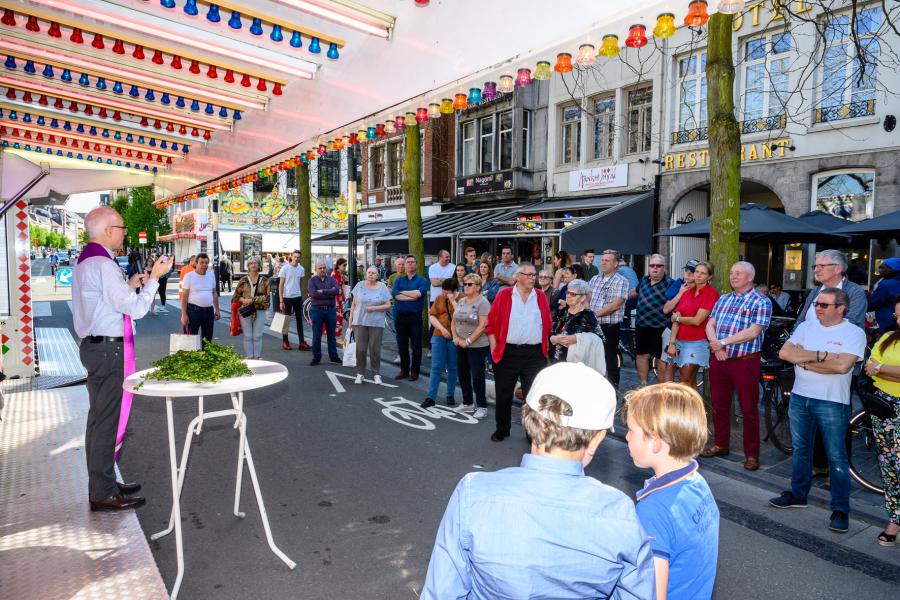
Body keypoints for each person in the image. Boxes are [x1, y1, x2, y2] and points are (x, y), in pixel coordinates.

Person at [421, 362, 655, 599]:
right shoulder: (619, 512)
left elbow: (442, 591)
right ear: (597, 439)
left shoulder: (473, 493)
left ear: (527, 417)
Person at [73, 206, 171, 511]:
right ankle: (102, 491)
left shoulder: (87, 261)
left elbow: (104, 302)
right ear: (106, 231)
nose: (124, 232)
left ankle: (104, 482)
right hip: (107, 350)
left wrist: (129, 286)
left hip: (96, 347)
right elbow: (137, 309)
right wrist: (155, 278)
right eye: (121, 227)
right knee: (106, 421)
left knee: (99, 419)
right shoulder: (102, 264)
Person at [771, 288, 865, 533]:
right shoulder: (806, 327)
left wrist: (803, 360)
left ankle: (840, 509)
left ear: (840, 308)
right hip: (801, 397)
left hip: (832, 401)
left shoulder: (854, 333)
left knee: (836, 456)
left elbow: (843, 366)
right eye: (816, 304)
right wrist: (823, 356)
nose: (817, 309)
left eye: (823, 305)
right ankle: (798, 494)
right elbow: (785, 353)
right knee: (801, 450)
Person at [625, 383, 720, 600]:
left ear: (656, 442)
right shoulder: (696, 481)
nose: (627, 437)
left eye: (631, 430)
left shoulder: (653, 511)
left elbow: (651, 593)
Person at [795, 250, 867, 477]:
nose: (815, 269)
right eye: (815, 266)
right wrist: (799, 346)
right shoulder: (816, 291)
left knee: (837, 422)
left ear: (838, 268)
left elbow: (851, 325)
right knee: (811, 417)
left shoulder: (854, 292)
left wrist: (811, 350)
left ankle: (837, 471)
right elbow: (801, 321)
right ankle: (818, 465)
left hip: (837, 365)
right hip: (809, 365)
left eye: (820, 266)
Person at [702, 261, 771, 471]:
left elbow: (753, 331)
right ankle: (720, 444)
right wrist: (716, 346)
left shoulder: (761, 301)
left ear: (750, 277)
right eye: (732, 273)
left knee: (749, 408)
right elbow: (710, 324)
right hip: (720, 359)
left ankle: (752, 454)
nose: (733, 276)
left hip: (745, 362)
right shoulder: (723, 299)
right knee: (719, 404)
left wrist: (723, 343)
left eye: (738, 273)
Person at [485, 262, 551, 442]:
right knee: (504, 394)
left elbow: (547, 324)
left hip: (534, 354)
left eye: (534, 275)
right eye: (528, 275)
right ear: (517, 276)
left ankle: (532, 433)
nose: (532, 278)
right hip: (508, 353)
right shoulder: (504, 295)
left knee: (533, 397)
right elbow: (490, 325)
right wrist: (494, 348)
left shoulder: (540, 296)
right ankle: (502, 429)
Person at [864, 297, 900, 547]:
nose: (896, 319)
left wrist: (881, 369)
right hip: (884, 408)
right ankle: (894, 520)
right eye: (896, 315)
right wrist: (881, 370)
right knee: (889, 468)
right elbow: (869, 365)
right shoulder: (888, 337)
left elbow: (877, 367)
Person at [667, 261, 719, 391]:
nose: (698, 275)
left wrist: (678, 318)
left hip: (697, 343)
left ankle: (685, 410)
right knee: (689, 382)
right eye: (697, 272)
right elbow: (675, 320)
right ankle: (697, 411)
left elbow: (697, 321)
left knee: (683, 382)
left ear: (709, 277)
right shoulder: (687, 292)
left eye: (703, 273)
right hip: (679, 341)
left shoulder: (711, 294)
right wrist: (672, 342)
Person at [588, 249, 630, 390]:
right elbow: (587, 299)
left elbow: (615, 305)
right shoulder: (594, 279)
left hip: (609, 328)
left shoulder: (621, 281)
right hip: (593, 327)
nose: (603, 262)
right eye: (602, 260)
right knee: (591, 359)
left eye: (607, 260)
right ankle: (593, 389)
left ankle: (612, 392)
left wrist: (594, 314)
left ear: (616, 264)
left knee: (610, 361)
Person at [451, 273, 491, 419]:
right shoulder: (461, 301)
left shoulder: (483, 302)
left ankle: (482, 406)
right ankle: (467, 403)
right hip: (459, 343)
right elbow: (454, 320)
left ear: (478, 287)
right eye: (465, 284)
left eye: (469, 284)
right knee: (462, 374)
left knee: (477, 376)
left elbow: (483, 326)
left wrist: (467, 341)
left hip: (477, 346)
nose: (466, 286)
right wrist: (455, 337)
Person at [348, 266, 392, 385]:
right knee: (360, 349)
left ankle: (376, 374)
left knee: (375, 349)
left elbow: (388, 305)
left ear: (377, 275)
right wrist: (350, 320)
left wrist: (374, 308)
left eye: (373, 273)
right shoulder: (359, 285)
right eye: (369, 272)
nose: (370, 274)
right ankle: (360, 373)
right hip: (360, 321)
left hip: (376, 322)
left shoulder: (382, 287)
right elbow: (354, 304)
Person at [633, 254, 673, 386]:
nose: (655, 268)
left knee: (661, 360)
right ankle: (644, 384)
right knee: (641, 356)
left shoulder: (670, 283)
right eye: (652, 265)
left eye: (658, 266)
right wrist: (620, 297)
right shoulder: (644, 280)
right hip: (642, 325)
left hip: (660, 327)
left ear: (664, 267)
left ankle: (660, 389)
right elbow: (635, 292)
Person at [392, 255, 430, 380]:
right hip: (400, 317)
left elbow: (419, 294)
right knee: (402, 345)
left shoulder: (422, 280)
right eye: (407, 262)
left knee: (416, 346)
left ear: (416, 264)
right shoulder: (398, 280)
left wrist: (403, 292)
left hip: (415, 317)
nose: (409, 264)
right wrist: (411, 295)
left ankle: (415, 371)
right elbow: (396, 296)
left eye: (412, 262)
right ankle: (404, 370)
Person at [424, 278, 460, 408]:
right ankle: (431, 397)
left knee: (452, 367)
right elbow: (432, 316)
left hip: (455, 338)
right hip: (439, 335)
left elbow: (461, 316)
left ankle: (450, 394)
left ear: (454, 291)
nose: (445, 294)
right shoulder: (439, 298)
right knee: (436, 367)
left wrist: (452, 300)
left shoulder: (462, 299)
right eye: (443, 292)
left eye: (447, 292)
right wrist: (442, 329)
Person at [660, 260, 698, 383]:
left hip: (691, 333)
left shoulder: (701, 288)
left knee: (687, 371)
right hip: (672, 330)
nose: (687, 274)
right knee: (669, 365)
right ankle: (668, 396)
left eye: (691, 271)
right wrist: (680, 293)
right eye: (686, 270)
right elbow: (666, 309)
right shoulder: (678, 284)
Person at [549, 279, 597, 364]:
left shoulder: (588, 315)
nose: (568, 296)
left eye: (573, 294)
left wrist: (577, 339)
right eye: (568, 292)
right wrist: (554, 338)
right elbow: (553, 333)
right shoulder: (563, 312)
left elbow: (600, 340)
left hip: (577, 365)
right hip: (556, 363)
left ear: (583, 297)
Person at [234, 256, 270, 359]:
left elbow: (267, 299)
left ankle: (257, 357)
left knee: (257, 336)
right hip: (246, 311)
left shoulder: (265, 280)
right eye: (251, 263)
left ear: (259, 265)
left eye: (255, 263)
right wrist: (243, 300)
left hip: (259, 310)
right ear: (248, 266)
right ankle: (250, 357)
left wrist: (252, 300)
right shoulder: (243, 280)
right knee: (248, 336)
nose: (253, 265)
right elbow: (236, 296)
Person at [307, 261, 341, 366]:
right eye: (320, 268)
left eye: (324, 268)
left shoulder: (332, 279)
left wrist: (322, 291)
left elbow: (336, 291)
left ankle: (334, 357)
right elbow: (313, 294)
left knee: (331, 335)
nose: (322, 269)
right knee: (317, 335)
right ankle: (316, 357)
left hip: (330, 310)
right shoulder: (311, 281)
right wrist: (329, 292)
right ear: (315, 269)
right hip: (317, 310)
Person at [180, 253, 219, 343]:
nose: (204, 265)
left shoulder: (211, 275)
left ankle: (205, 356)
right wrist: (184, 315)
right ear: (196, 264)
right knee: (191, 339)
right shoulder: (189, 276)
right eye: (202, 262)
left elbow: (214, 293)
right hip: (193, 311)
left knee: (207, 339)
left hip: (209, 311)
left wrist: (217, 310)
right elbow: (184, 297)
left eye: (206, 263)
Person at [278, 250, 311, 351]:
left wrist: (299, 293)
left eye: (298, 257)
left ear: (300, 258)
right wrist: (281, 300)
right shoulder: (285, 268)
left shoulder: (301, 269)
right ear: (291, 257)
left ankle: (302, 342)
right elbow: (281, 285)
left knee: (299, 321)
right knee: (286, 321)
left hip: (297, 297)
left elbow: (300, 283)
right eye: (295, 256)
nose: (296, 259)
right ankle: (285, 341)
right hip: (287, 298)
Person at [869, 258, 900, 335]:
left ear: (893, 269)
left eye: (883, 267)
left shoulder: (886, 285)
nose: (879, 270)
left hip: (887, 322)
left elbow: (872, 303)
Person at [331, 257, 349, 338]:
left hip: (340, 298)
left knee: (340, 317)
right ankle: (335, 336)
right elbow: (332, 288)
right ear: (338, 265)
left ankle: (336, 335)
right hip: (335, 299)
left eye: (346, 265)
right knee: (337, 317)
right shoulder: (334, 274)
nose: (345, 267)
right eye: (344, 265)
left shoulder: (342, 274)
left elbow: (342, 286)